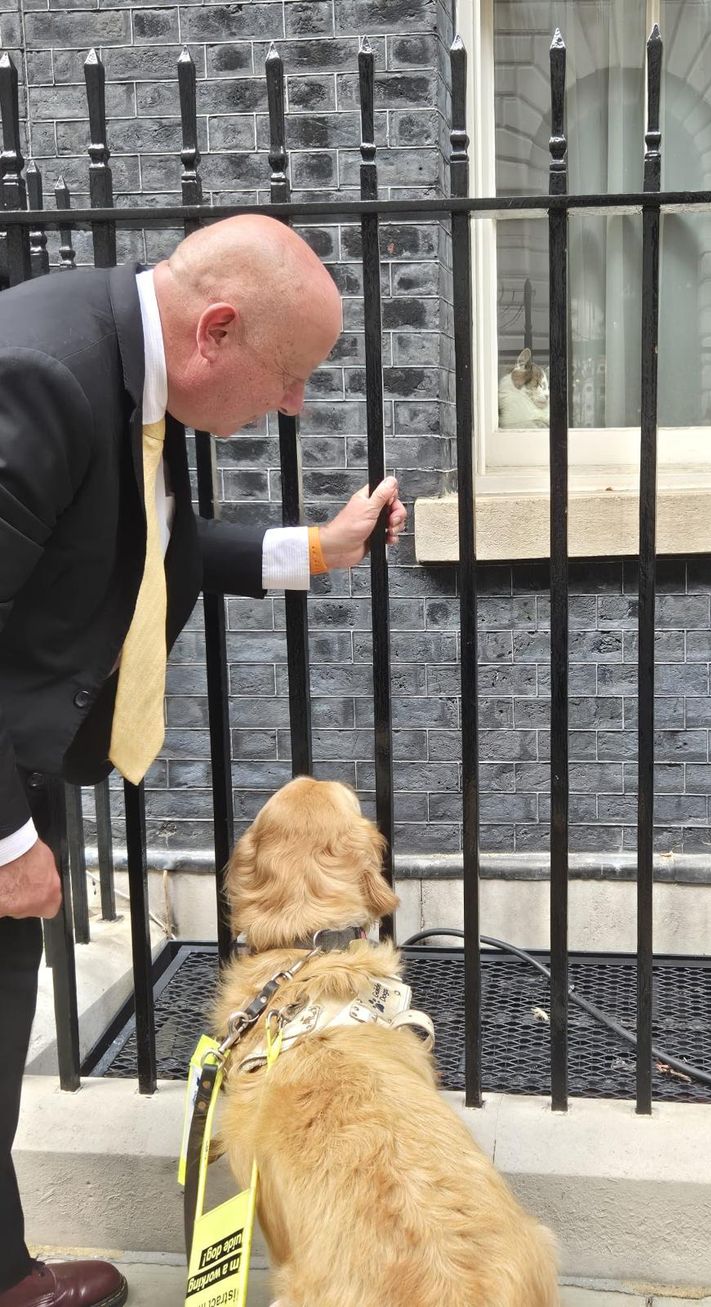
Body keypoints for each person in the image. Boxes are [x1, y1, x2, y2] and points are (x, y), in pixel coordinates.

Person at [0, 214, 408, 1307]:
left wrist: (316, 548)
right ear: (217, 331)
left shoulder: (134, 372)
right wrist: (3, 840)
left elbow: (157, 540)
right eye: (289, 375)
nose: (293, 404)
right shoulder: (39, 373)